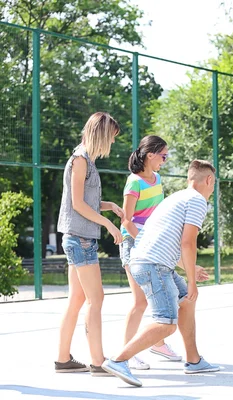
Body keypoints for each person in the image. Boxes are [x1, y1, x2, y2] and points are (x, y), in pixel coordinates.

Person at [102, 160, 219, 387]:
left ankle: (194, 361)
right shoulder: (197, 201)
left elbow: (163, 241)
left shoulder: (177, 197)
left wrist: (188, 269)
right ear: (209, 180)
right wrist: (192, 281)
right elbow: (187, 242)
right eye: (214, 184)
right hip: (152, 265)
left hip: (150, 261)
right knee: (166, 323)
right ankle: (118, 360)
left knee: (186, 300)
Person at [55, 112, 124, 376]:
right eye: (111, 138)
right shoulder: (80, 160)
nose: (112, 144)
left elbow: (87, 201)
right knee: (96, 299)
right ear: (101, 135)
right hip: (80, 239)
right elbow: (77, 204)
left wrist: (109, 207)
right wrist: (108, 224)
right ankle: (98, 361)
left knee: (77, 299)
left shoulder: (87, 160)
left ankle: (63, 359)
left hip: (79, 237)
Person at [119, 135, 182, 370]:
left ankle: (158, 342)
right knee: (140, 302)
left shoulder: (157, 178)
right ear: (150, 155)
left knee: (161, 296)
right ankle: (126, 353)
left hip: (153, 244)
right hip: (133, 244)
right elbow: (126, 220)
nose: (164, 161)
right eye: (163, 156)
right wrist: (144, 241)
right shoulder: (133, 182)